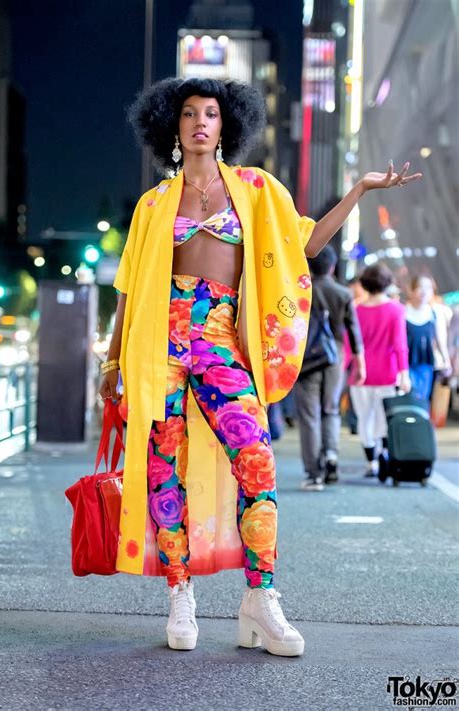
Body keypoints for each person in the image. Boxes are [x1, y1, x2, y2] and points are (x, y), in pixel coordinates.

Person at [98, 76, 422, 655]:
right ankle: (180, 593)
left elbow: (309, 245)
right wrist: (112, 360)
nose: (201, 122)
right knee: (162, 468)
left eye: (212, 114)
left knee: (256, 459)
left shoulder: (255, 189)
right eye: (190, 114)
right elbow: (127, 288)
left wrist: (358, 192)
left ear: (227, 126)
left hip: (222, 340)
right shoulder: (153, 205)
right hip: (158, 344)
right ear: (172, 127)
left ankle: (260, 598)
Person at [295, 245, 365, 490]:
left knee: (309, 415)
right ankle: (332, 455)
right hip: (335, 357)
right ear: (333, 266)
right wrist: (360, 362)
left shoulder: (300, 291)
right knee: (331, 409)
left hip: (306, 358)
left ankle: (314, 474)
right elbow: (353, 330)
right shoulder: (343, 293)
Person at [345, 263, 411, 477]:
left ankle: (371, 462)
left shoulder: (355, 309)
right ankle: (384, 454)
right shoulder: (396, 309)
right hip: (388, 372)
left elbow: (349, 344)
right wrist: (404, 373)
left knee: (365, 418)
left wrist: (345, 368)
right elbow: (400, 344)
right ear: (388, 283)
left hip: (360, 374)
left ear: (364, 284)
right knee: (384, 419)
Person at [406, 275, 450, 400]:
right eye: (420, 287)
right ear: (412, 290)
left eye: (429, 288)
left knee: (422, 398)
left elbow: (441, 339)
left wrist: (446, 361)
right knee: (407, 397)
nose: (424, 291)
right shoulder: (403, 312)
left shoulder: (434, 314)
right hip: (404, 363)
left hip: (425, 362)